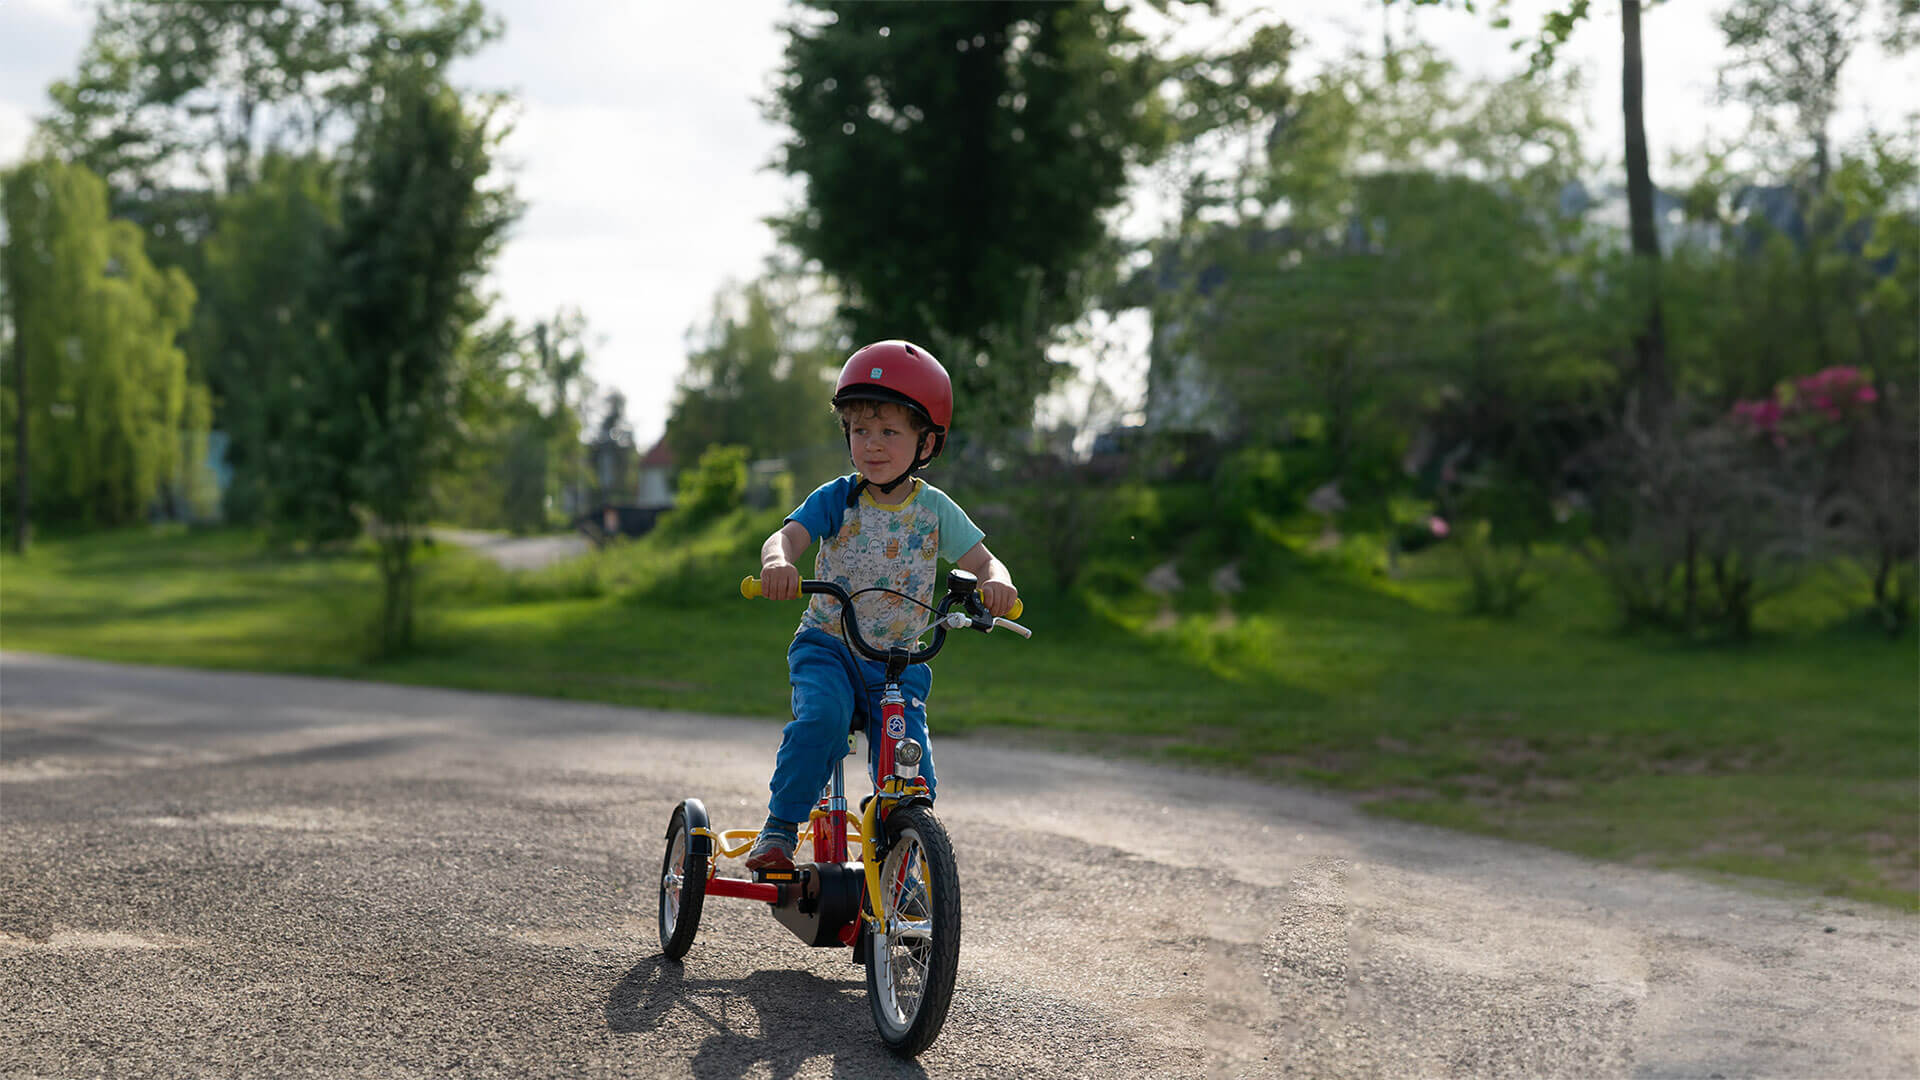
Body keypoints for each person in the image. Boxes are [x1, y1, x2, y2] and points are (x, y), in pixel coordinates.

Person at [747, 339, 1018, 872]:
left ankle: (905, 855)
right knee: (822, 720)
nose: (872, 444)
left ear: (926, 441)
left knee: (911, 770)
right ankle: (779, 829)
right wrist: (778, 564)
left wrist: (998, 585)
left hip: (897, 662)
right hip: (828, 646)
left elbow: (988, 563)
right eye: (860, 430)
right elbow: (787, 539)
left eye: (890, 431)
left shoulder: (935, 510)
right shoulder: (836, 498)